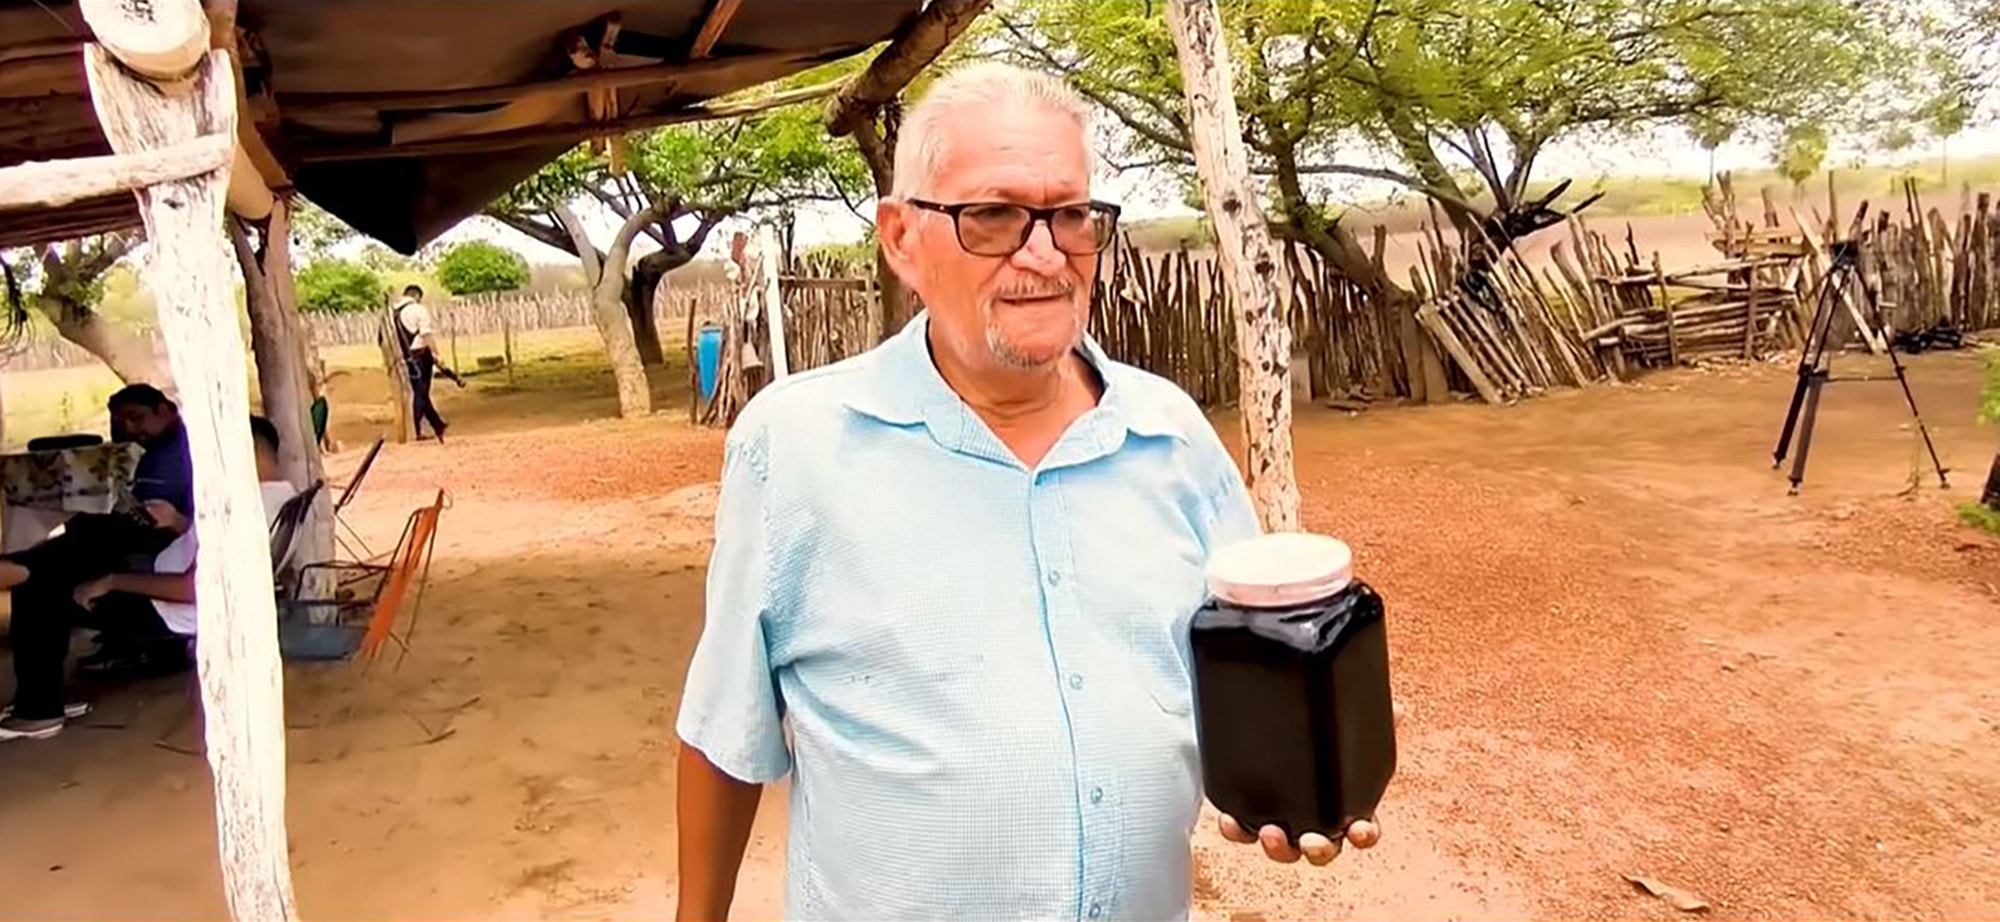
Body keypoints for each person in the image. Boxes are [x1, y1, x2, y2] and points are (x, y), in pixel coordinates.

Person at [673, 63, 1380, 921]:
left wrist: (1283, 768)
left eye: (1070, 215)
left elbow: (1235, 659)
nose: (1043, 254)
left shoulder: (1170, 436)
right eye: (994, 215)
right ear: (900, 239)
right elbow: (724, 732)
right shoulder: (796, 449)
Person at [0, 416, 300, 741]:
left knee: (38, 593)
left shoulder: (245, 512)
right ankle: (24, 572)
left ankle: (38, 710)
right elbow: (216, 555)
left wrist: (112, 581)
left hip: (169, 609)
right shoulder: (278, 496)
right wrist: (177, 522)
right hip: (166, 574)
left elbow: (194, 589)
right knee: (88, 534)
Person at [393, 284, 463, 441]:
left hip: (406, 356)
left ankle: (437, 424)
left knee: (421, 392)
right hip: (420, 354)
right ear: (417, 296)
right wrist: (436, 354)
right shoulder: (418, 310)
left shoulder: (395, 313)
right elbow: (426, 334)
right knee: (421, 394)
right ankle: (417, 431)